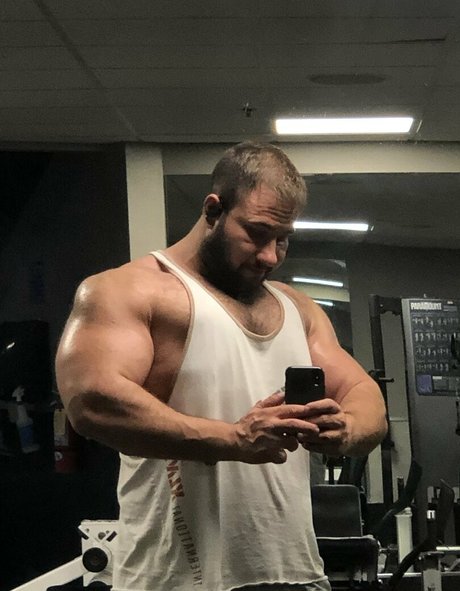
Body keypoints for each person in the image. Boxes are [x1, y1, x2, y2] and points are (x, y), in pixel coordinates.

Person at [55, 141, 387, 591]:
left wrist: (345, 430)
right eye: (257, 233)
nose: (270, 255)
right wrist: (233, 439)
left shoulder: (299, 309)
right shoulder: (130, 291)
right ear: (213, 210)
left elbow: (366, 397)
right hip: (177, 580)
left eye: (282, 239)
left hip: (296, 577)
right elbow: (92, 401)